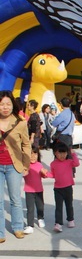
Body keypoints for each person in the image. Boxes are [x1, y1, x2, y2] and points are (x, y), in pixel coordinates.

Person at [0, 90, 31, 242]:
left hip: (14, 165)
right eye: (1, 104)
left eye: (8, 104)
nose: (5, 107)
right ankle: (0, 233)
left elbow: (26, 144)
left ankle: (18, 227)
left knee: (15, 199)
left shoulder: (20, 122)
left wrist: (26, 164)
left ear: (13, 105)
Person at [47, 142, 80, 232]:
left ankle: (70, 219)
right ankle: (58, 223)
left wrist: (73, 153)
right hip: (58, 189)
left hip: (68, 188)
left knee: (69, 205)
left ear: (67, 153)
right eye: (59, 153)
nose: (62, 155)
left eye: (64, 153)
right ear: (55, 153)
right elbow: (53, 174)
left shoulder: (69, 162)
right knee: (58, 206)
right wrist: (45, 174)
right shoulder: (53, 164)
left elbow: (77, 163)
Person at [23, 145, 49, 234]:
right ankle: (30, 225)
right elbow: (22, 174)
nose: (33, 156)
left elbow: (43, 176)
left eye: (35, 154)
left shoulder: (39, 165)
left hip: (39, 190)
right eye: (30, 154)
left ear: (38, 155)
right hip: (29, 191)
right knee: (30, 208)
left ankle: (40, 218)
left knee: (40, 206)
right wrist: (24, 172)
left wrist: (44, 173)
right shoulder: (25, 165)